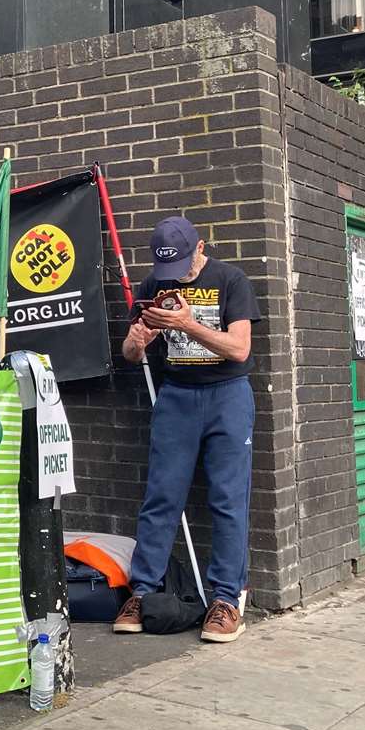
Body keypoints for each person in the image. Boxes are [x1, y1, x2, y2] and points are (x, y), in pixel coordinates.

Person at [112, 215, 261, 643]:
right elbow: (128, 352)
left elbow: (240, 348)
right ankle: (142, 591)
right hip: (176, 395)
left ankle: (227, 600)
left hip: (227, 394)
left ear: (199, 248)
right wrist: (137, 342)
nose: (173, 278)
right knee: (161, 495)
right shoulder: (151, 285)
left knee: (228, 499)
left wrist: (188, 325)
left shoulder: (230, 280)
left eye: (181, 265)